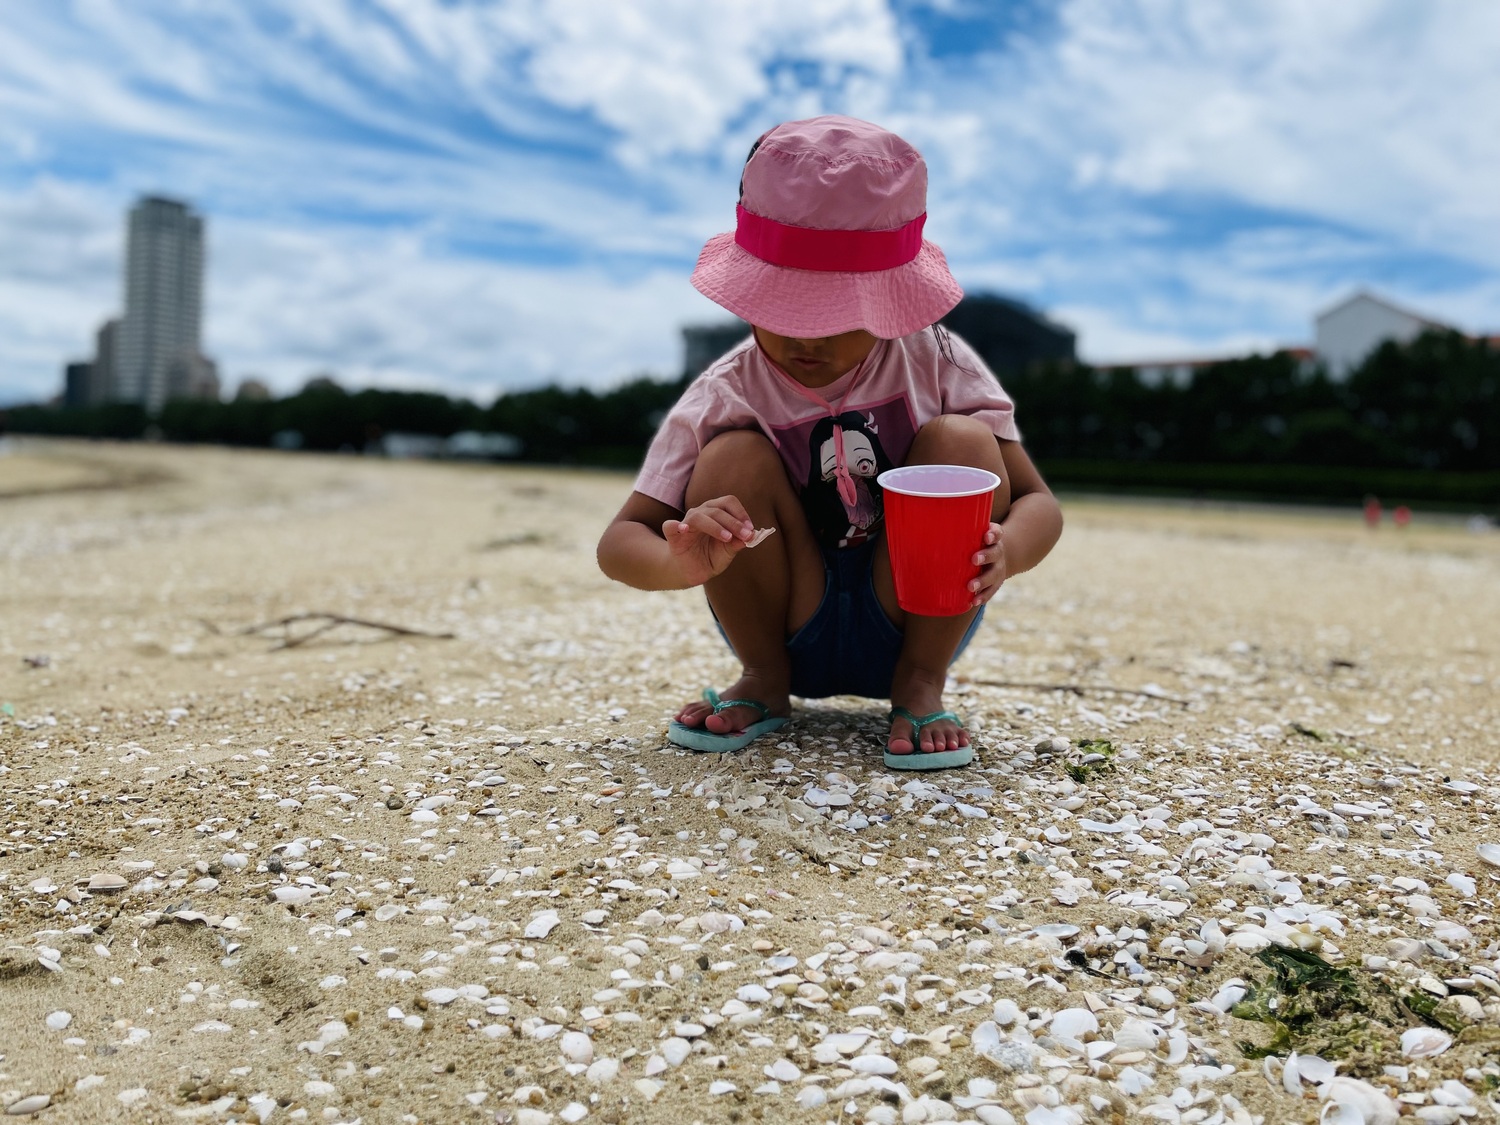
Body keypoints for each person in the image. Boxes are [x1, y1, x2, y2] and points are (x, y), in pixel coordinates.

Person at [596, 115, 1063, 768]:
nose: (803, 338)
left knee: (964, 442)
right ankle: (764, 680)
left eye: (833, 314)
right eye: (782, 309)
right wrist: (682, 561)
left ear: (891, 299)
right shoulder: (728, 390)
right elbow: (620, 542)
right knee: (730, 456)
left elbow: (1039, 503)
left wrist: (1008, 548)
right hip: (784, 618)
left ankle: (921, 683)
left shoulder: (938, 362)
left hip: (915, 615)